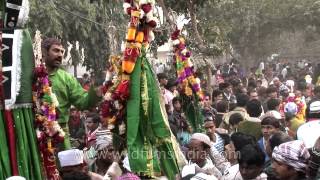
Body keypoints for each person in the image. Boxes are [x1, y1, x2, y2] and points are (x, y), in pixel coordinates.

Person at [42, 38, 102, 149]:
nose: (60, 55)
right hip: (34, 133)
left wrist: (95, 93)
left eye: (62, 52)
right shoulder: (32, 75)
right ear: (44, 52)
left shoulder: (67, 78)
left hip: (60, 136)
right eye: (56, 50)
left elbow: (83, 103)